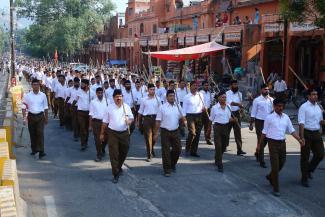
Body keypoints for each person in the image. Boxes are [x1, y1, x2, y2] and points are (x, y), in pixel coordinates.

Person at [258, 98, 304, 197]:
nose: (280, 108)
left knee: (282, 163)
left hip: (282, 143)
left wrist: (299, 140)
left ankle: (271, 176)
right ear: (274, 107)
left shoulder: (286, 117)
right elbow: (264, 133)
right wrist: (259, 145)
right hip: (272, 143)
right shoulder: (269, 118)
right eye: (278, 106)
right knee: (275, 166)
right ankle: (276, 188)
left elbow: (291, 130)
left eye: (282, 106)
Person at [100, 89, 134, 183]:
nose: (118, 98)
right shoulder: (109, 108)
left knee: (124, 150)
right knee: (114, 153)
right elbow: (105, 122)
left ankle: (118, 166)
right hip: (112, 133)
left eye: (120, 96)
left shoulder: (126, 107)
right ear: (113, 98)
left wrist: (129, 121)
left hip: (124, 132)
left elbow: (131, 118)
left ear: (122, 97)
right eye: (116, 96)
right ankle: (115, 173)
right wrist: (102, 133)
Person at [156, 90, 186, 177]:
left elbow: (182, 117)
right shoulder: (162, 107)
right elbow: (158, 121)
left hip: (175, 131)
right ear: (167, 97)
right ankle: (167, 169)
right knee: (166, 151)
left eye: (173, 96)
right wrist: (156, 132)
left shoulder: (178, 106)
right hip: (165, 131)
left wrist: (184, 121)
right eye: (170, 96)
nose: (172, 97)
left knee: (178, 149)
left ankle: (172, 164)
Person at [298, 89, 324, 187]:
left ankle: (309, 170)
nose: (315, 96)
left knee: (320, 154)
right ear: (308, 96)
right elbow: (301, 123)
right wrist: (301, 137)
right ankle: (304, 178)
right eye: (313, 94)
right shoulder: (303, 107)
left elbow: (320, 121)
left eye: (316, 94)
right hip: (306, 132)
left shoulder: (319, 107)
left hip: (316, 133)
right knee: (305, 156)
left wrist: (323, 122)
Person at [22, 79, 49, 159]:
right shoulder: (27, 96)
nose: (36, 86)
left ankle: (41, 151)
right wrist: (24, 117)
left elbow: (46, 107)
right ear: (32, 86)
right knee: (32, 134)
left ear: (39, 85)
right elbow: (24, 107)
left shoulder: (43, 95)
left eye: (37, 84)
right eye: (34, 84)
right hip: (31, 116)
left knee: (40, 133)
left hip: (40, 116)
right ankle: (34, 149)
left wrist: (46, 118)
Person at [249, 84, 274, 168]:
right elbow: (253, 113)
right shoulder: (257, 100)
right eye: (265, 89)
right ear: (261, 90)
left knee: (266, 140)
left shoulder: (271, 100)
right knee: (261, 139)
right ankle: (262, 161)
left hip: (269, 122)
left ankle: (257, 152)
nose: (266, 91)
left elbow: (274, 112)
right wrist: (251, 124)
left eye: (267, 89)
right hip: (259, 122)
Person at [209, 91, 234, 172]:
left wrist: (234, 120)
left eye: (225, 97)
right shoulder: (214, 108)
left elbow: (229, 118)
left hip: (226, 127)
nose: (224, 99)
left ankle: (217, 157)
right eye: (222, 97)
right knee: (218, 146)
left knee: (224, 145)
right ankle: (220, 164)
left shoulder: (229, 107)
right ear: (218, 98)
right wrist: (208, 131)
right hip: (217, 127)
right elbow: (211, 120)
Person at [138, 83, 160, 162]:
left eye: (154, 89)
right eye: (151, 89)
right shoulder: (144, 99)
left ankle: (152, 148)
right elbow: (140, 111)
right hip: (147, 119)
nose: (152, 91)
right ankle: (149, 154)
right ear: (148, 90)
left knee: (155, 137)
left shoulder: (158, 99)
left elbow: (161, 110)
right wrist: (139, 122)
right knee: (148, 137)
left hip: (156, 119)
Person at [183, 81, 205, 157]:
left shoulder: (200, 95)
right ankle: (187, 149)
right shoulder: (187, 97)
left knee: (197, 134)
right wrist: (184, 119)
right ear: (190, 87)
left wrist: (203, 109)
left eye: (196, 86)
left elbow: (202, 105)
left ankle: (194, 151)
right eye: (194, 85)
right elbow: (184, 109)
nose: (195, 87)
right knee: (192, 133)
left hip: (199, 115)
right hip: (190, 116)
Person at [226, 80, 246, 156]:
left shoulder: (239, 94)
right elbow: (230, 103)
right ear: (231, 86)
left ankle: (239, 149)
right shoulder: (227, 93)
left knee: (238, 131)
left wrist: (241, 110)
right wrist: (239, 104)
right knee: (227, 131)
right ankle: (224, 146)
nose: (236, 86)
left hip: (237, 114)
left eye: (236, 84)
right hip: (229, 113)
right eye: (234, 84)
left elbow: (240, 105)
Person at [89, 87, 109, 162]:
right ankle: (99, 155)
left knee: (106, 138)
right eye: (99, 93)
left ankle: (102, 148)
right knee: (97, 139)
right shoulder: (93, 102)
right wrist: (90, 126)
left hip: (106, 122)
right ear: (96, 93)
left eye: (101, 93)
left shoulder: (107, 101)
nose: (100, 94)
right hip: (96, 122)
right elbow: (90, 114)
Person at [75, 79, 95, 151]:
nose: (81, 85)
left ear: (86, 85)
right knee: (82, 128)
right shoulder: (79, 92)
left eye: (83, 84)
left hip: (89, 113)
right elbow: (75, 100)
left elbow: (94, 103)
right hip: (80, 112)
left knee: (87, 128)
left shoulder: (92, 93)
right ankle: (82, 143)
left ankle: (85, 141)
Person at [200, 81, 213, 145]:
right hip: (201, 111)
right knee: (199, 126)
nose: (207, 86)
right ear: (202, 86)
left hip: (208, 110)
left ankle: (208, 139)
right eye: (205, 85)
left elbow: (211, 102)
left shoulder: (209, 93)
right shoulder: (200, 93)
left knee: (208, 125)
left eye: (207, 85)